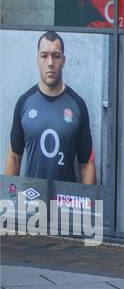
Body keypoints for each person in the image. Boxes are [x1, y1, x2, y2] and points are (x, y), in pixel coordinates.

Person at [6, 32, 95, 183]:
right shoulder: (24, 102)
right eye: (44, 55)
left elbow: (86, 164)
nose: (50, 63)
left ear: (64, 60)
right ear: (37, 60)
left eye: (56, 55)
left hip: (65, 201)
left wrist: (92, 204)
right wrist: (6, 201)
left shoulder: (77, 104)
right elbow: (14, 157)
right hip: (32, 200)